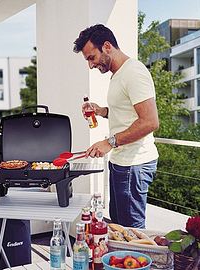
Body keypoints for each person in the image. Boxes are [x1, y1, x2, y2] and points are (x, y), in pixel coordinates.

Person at [73, 24, 159, 228]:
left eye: (91, 57)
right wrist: (101, 111)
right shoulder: (118, 74)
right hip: (122, 162)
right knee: (119, 226)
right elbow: (127, 114)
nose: (91, 65)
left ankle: (141, 261)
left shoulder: (134, 72)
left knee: (132, 232)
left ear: (107, 46)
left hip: (134, 163)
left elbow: (150, 121)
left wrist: (109, 142)